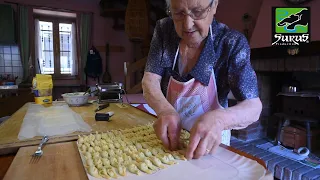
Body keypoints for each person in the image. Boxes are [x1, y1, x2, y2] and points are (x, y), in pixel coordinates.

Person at [142, 0, 262, 160]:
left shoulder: (231, 42)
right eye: (178, 13)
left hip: (210, 147)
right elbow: (150, 80)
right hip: (169, 140)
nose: (187, 24)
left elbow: (253, 107)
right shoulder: (164, 30)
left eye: (197, 12)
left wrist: (219, 120)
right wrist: (165, 110)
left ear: (214, 6)